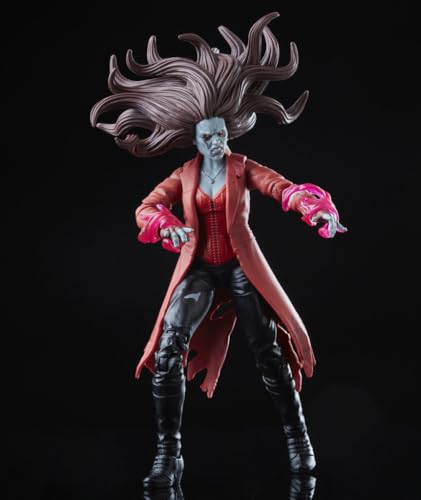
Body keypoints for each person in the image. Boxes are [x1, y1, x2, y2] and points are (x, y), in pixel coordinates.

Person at [91, 12, 347, 491]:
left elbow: (282, 188)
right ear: (194, 138)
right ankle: (169, 454)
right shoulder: (184, 174)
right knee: (168, 350)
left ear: (229, 132)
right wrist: (165, 225)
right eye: (208, 136)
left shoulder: (241, 166)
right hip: (200, 270)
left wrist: (314, 209)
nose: (216, 142)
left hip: (241, 268)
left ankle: (298, 439)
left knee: (268, 353)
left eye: (221, 134)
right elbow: (146, 207)